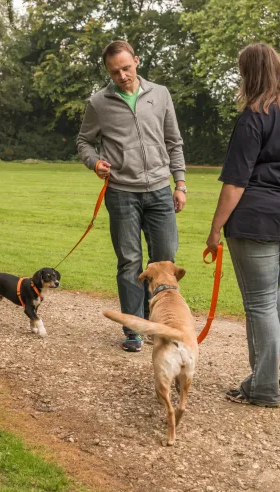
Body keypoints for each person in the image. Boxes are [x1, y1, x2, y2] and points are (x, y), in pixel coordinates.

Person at [206, 43, 280, 407]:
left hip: (257, 218)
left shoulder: (253, 116)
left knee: (258, 302)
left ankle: (262, 386)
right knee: (270, 290)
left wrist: (214, 231)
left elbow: (236, 182)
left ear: (249, 74)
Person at [77, 40, 187, 352]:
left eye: (126, 68)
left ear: (136, 61)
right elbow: (84, 141)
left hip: (159, 191)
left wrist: (180, 184)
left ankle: (164, 327)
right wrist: (94, 162)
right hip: (121, 192)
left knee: (165, 261)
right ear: (108, 73)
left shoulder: (160, 94)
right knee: (129, 262)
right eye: (115, 72)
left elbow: (174, 141)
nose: (122, 75)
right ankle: (133, 329)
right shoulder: (99, 103)